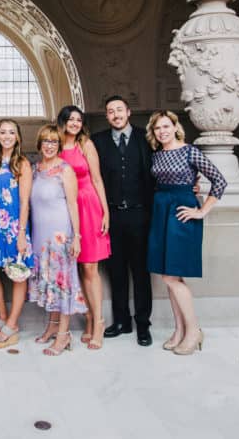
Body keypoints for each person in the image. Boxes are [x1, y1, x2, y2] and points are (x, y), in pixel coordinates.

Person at [146, 110, 226, 356]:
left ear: (175, 127)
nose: (162, 131)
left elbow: (220, 181)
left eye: (166, 126)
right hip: (161, 211)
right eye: (158, 128)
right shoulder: (157, 155)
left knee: (172, 277)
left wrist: (201, 211)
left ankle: (194, 331)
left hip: (181, 213)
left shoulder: (190, 151)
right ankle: (179, 330)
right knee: (170, 277)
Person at [90, 94, 156, 346]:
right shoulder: (98, 142)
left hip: (140, 214)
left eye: (119, 110)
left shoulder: (145, 139)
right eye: (110, 111)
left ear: (128, 112)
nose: (115, 115)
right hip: (111, 216)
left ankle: (142, 325)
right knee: (116, 272)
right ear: (106, 116)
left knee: (140, 273)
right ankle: (121, 321)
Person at [27, 124, 87, 356]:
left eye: (54, 142)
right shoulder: (35, 169)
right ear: (40, 144)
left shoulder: (65, 170)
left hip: (60, 235)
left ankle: (64, 335)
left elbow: (73, 204)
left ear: (59, 145)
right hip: (41, 236)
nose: (49, 145)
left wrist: (77, 238)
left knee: (62, 285)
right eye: (46, 141)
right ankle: (52, 327)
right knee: (50, 284)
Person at [57, 106, 111, 350]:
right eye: (71, 119)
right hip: (65, 209)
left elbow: (97, 179)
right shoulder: (55, 144)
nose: (75, 123)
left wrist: (105, 211)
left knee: (90, 266)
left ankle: (99, 321)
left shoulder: (85, 145)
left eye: (79, 119)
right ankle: (87, 317)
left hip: (88, 206)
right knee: (74, 267)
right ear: (63, 121)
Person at [0, 119, 33, 349]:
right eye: (3, 132)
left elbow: (24, 202)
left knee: (17, 274)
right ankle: (2, 316)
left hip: (14, 226)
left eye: (12, 132)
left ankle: (12, 324)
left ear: (18, 136)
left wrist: (21, 233)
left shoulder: (22, 164)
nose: (7, 136)